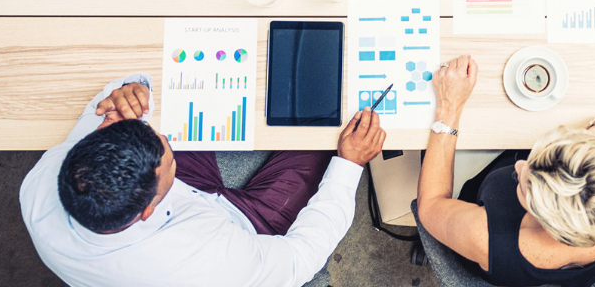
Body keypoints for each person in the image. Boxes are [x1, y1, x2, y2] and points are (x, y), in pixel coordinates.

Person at [20, 73, 385, 287]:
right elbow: (299, 259)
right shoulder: (207, 265)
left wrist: (129, 88)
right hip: (236, 228)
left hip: (180, 200)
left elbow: (107, 103)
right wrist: (350, 164)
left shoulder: (51, 174)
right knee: (326, 131)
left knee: (189, 89)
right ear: (148, 210)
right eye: (168, 158)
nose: (167, 139)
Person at [416, 56, 595, 287]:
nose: (520, 165)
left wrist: (449, 107)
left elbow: (430, 205)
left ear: (543, 220)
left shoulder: (486, 238)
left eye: (525, 185)